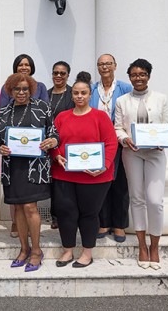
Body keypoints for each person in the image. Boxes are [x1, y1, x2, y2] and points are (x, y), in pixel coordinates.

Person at [50, 71, 118, 268]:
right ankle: (68, 250)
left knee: (89, 214)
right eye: (76, 93)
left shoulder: (101, 117)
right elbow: (54, 141)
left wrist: (104, 165)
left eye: (84, 93)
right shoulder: (62, 117)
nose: (79, 96)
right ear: (72, 95)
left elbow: (111, 143)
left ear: (90, 95)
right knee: (66, 213)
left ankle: (87, 253)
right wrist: (56, 155)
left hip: (94, 176)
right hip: (64, 175)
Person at [0, 73, 58, 272]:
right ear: (10, 91)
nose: (21, 92)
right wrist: (0, 147)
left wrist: (52, 141)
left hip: (34, 167)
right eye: (17, 89)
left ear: (31, 89)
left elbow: (53, 132)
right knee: (18, 208)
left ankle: (36, 251)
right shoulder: (3, 112)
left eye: (25, 89)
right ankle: (24, 249)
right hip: (12, 167)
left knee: (30, 207)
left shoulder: (42, 107)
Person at [115, 59, 168, 270]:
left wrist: (163, 140)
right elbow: (117, 127)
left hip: (155, 153)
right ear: (129, 77)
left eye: (142, 74)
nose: (138, 78)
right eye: (134, 75)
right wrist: (124, 139)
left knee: (155, 201)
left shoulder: (161, 98)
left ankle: (154, 246)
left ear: (148, 75)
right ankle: (142, 247)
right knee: (137, 198)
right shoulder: (122, 101)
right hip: (132, 153)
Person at [90, 54, 133, 243]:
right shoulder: (92, 89)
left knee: (120, 184)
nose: (105, 67)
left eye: (108, 63)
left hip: (119, 142)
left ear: (115, 65)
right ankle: (104, 222)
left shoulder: (125, 88)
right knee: (101, 183)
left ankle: (119, 225)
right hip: (97, 143)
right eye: (101, 64)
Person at [47, 61, 75, 229]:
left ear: (68, 75)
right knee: (53, 182)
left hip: (67, 142)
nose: (58, 76)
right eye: (55, 72)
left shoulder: (73, 94)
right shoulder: (46, 94)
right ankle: (55, 216)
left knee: (67, 182)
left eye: (62, 73)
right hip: (48, 143)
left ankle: (68, 215)